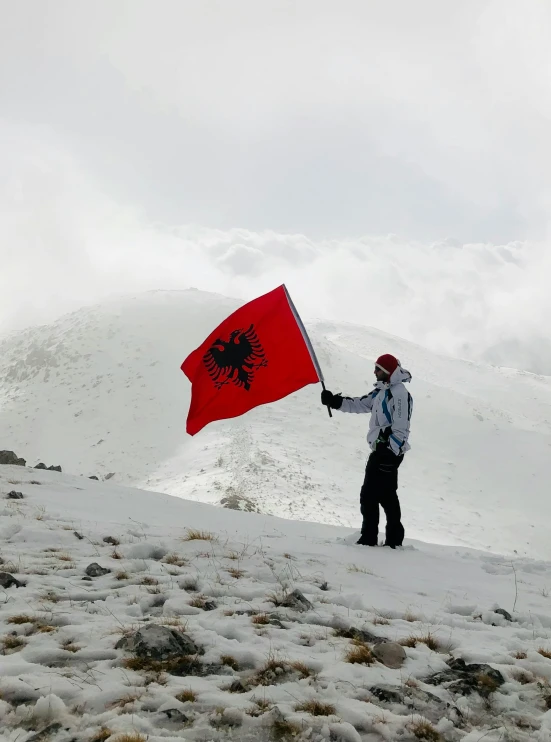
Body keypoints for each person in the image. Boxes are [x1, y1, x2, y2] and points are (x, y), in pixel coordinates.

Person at [321, 354, 413, 548]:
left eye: (378, 369)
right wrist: (334, 402)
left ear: (387, 371)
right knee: (385, 495)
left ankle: (372, 538)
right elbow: (360, 404)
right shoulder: (380, 392)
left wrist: (390, 450)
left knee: (371, 495)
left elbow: (401, 426)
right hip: (382, 449)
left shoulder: (399, 393)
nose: (374, 372)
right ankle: (391, 540)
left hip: (388, 451)